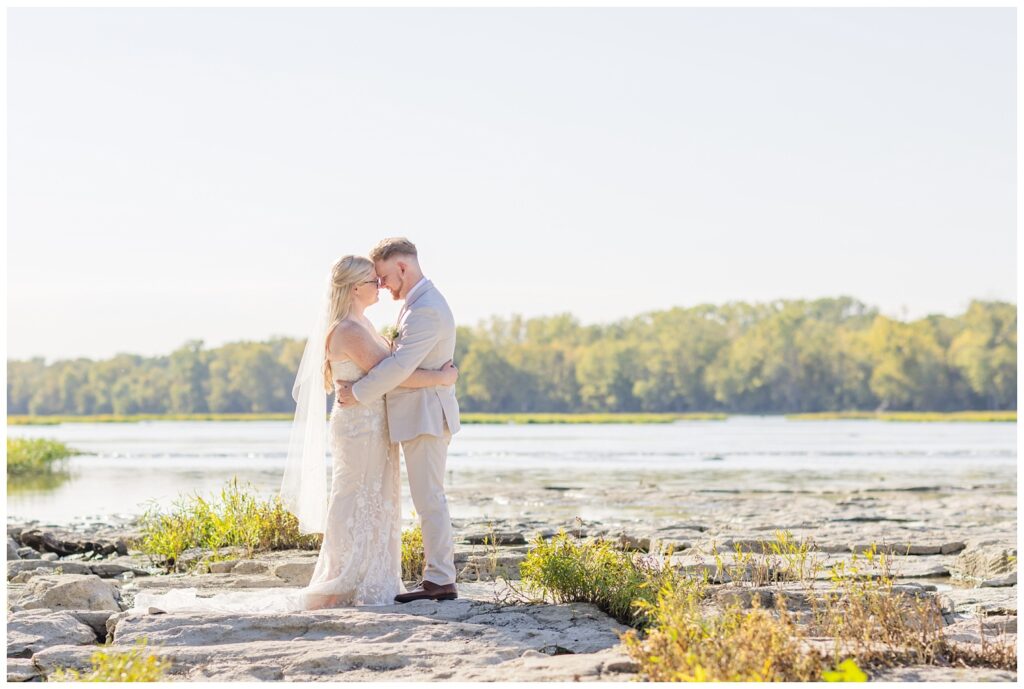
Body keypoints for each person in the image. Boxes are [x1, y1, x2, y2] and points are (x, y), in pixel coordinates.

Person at [131, 254, 457, 613]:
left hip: (372, 423)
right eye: (371, 281)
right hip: (360, 426)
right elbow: (394, 374)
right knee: (354, 497)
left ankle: (371, 577)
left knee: (377, 497)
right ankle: (344, 578)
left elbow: (390, 370)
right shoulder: (348, 330)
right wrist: (441, 378)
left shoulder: (361, 323)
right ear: (353, 289)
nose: (379, 286)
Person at [335, 237, 461, 603]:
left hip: (426, 414)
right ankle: (438, 576)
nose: (383, 285)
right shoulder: (415, 304)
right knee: (428, 497)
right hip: (418, 413)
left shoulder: (426, 309)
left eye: (386, 276)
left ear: (403, 267)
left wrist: (357, 393)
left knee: (429, 498)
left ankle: (440, 579)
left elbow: (400, 366)